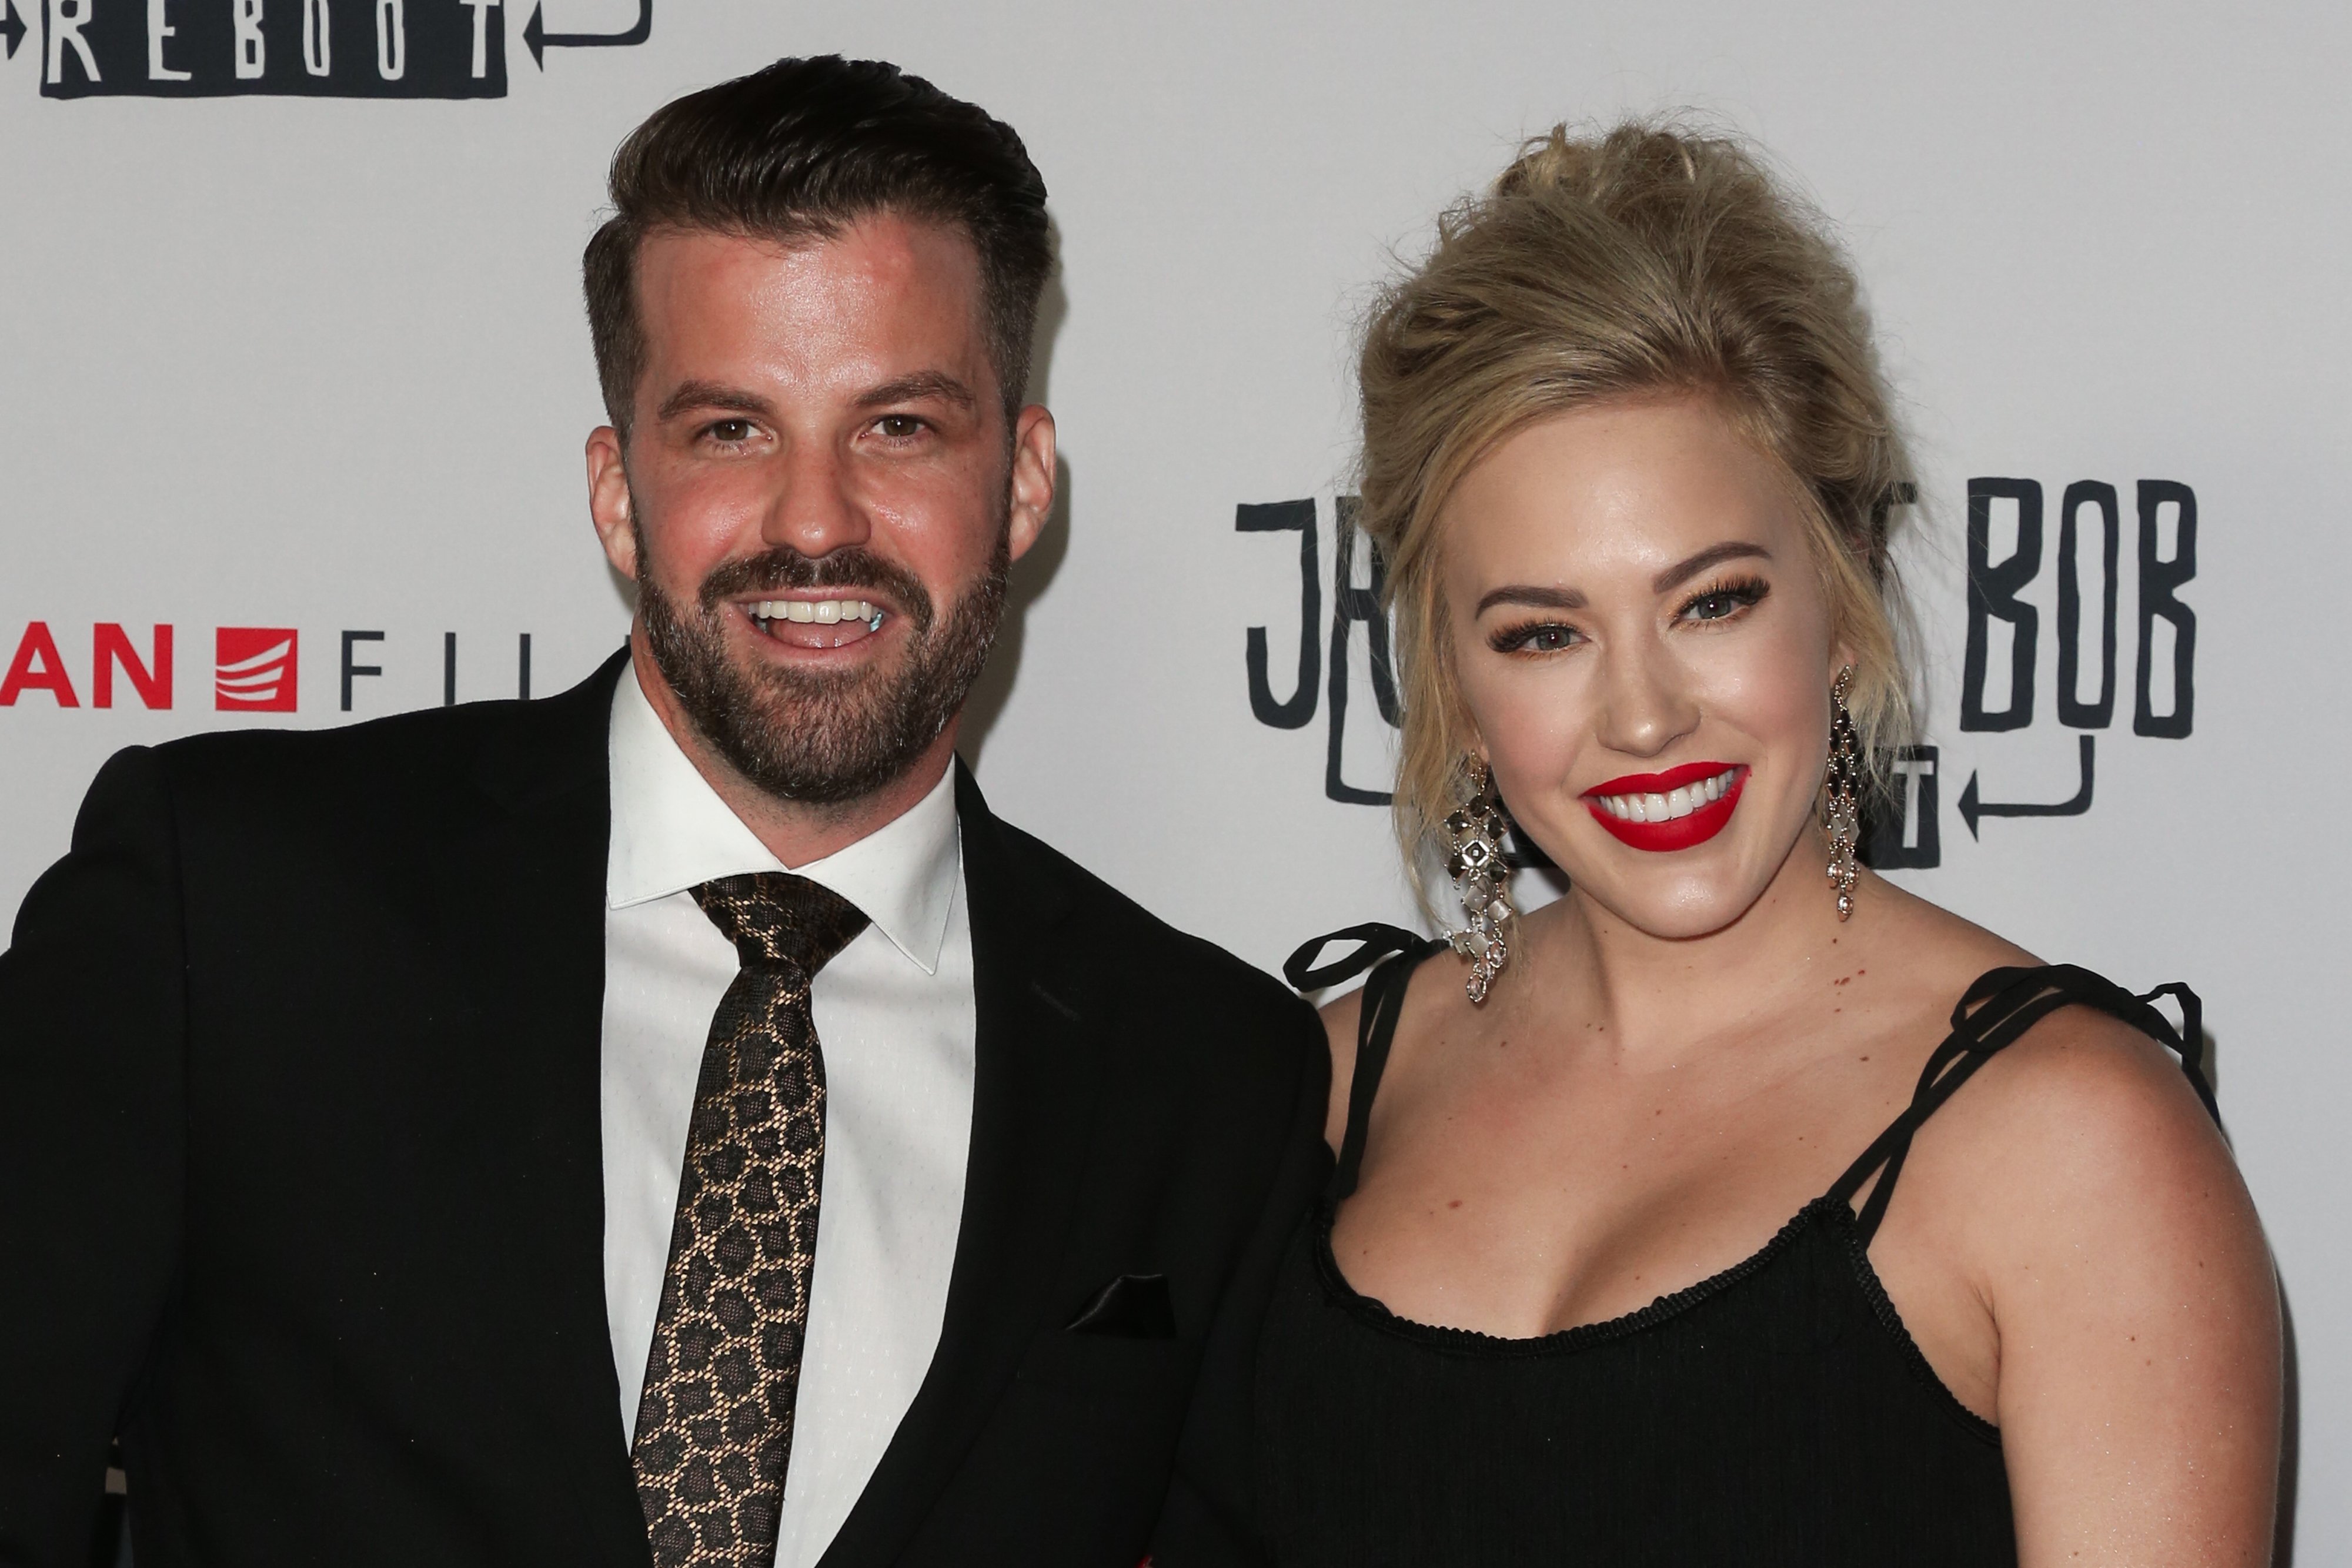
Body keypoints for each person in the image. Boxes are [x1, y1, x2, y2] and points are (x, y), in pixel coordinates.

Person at [0, 57, 1327, 1568]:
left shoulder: (1207, 1075)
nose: (815, 519)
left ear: (1021, 482)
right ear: (618, 491)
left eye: (897, 427)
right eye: (728, 430)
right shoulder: (231, 900)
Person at [1247, 124, 2280, 1566]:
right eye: (1544, 632)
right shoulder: (1318, 1087)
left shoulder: (2070, 1146)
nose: (1644, 714)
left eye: (1710, 601)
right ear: (1454, 687)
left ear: (1841, 593)